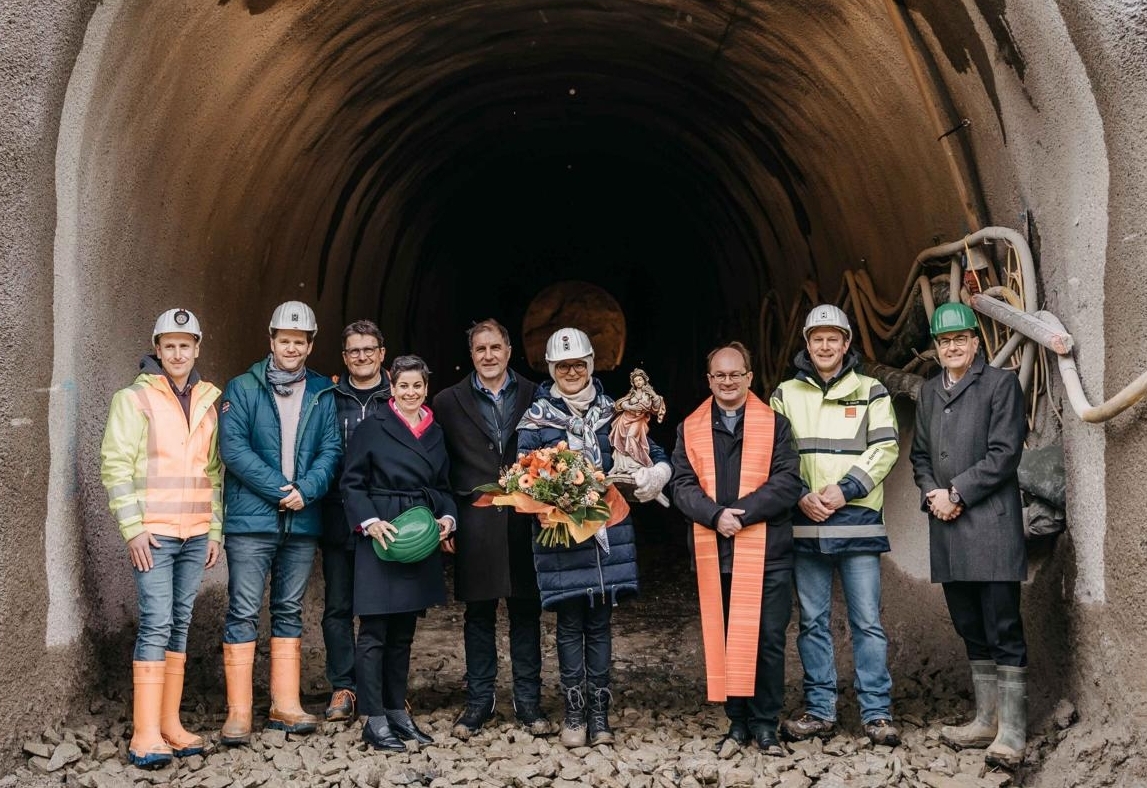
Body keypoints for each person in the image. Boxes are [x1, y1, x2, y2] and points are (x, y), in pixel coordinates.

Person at [517, 327, 672, 747]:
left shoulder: (614, 412)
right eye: (563, 366)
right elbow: (523, 471)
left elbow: (648, 450)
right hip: (562, 536)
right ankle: (573, 713)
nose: (571, 372)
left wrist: (658, 472)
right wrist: (550, 494)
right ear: (552, 369)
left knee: (600, 624)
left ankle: (599, 714)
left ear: (590, 367)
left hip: (608, 532)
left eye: (578, 365)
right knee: (569, 624)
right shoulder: (536, 419)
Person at [770, 305, 901, 746]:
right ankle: (820, 709)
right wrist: (800, 496)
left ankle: (877, 713)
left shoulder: (872, 390)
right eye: (817, 339)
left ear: (846, 344)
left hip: (858, 521)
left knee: (867, 622)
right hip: (806, 524)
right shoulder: (785, 394)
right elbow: (776, 456)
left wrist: (844, 490)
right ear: (806, 344)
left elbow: (885, 449)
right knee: (812, 621)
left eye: (833, 338)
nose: (825, 346)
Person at [100, 308, 222, 768]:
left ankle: (169, 724)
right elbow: (115, 465)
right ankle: (144, 734)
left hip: (193, 535)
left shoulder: (209, 400)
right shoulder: (134, 399)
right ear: (157, 349)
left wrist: (214, 530)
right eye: (168, 345)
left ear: (197, 349)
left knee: (179, 622)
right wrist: (132, 529)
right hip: (153, 536)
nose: (177, 353)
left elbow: (212, 472)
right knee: (156, 621)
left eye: (185, 345)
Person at [909, 302, 1028, 769]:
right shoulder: (928, 393)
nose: (952, 347)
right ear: (936, 348)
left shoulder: (1000, 385)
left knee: (1003, 626)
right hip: (947, 528)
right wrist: (932, 494)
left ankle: (1013, 731)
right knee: (969, 626)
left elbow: (1004, 454)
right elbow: (919, 456)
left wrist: (956, 492)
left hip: (991, 526)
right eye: (944, 341)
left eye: (960, 339)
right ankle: (986, 720)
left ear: (976, 342)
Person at [669, 341, 802, 755]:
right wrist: (714, 515)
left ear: (750, 377)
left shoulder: (775, 425)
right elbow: (680, 485)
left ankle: (766, 724)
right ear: (709, 381)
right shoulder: (690, 428)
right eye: (719, 375)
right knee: (726, 637)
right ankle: (737, 723)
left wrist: (739, 514)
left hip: (769, 552)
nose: (727, 381)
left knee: (767, 639)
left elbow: (787, 483)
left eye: (735, 374)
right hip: (716, 551)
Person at [218, 301, 341, 745]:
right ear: (271, 341)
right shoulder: (243, 388)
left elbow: (331, 450)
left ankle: (285, 705)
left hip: (301, 522)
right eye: (284, 340)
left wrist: (305, 490)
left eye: (299, 341)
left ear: (310, 345)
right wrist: (280, 489)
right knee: (243, 610)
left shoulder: (322, 393)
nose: (291, 347)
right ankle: (239, 712)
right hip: (251, 523)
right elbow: (233, 450)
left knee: (289, 608)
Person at [432, 319, 551, 738]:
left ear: (509, 350)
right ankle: (480, 701)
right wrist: (443, 518)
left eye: (495, 347)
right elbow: (438, 466)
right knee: (478, 614)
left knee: (526, 611)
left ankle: (530, 702)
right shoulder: (447, 402)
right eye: (480, 349)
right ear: (471, 355)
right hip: (475, 518)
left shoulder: (537, 394)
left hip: (525, 517)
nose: (488, 355)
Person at [341, 355, 458, 751]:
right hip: (384, 533)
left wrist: (447, 517)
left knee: (404, 632)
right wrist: (369, 521)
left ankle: (397, 712)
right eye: (403, 386)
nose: (411, 393)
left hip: (418, 531)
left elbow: (443, 486)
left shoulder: (435, 432)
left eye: (418, 386)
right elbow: (351, 483)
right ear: (392, 387)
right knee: (374, 631)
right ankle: (373, 719)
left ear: (426, 389)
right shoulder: (371, 427)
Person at [320, 320, 391, 723]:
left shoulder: (397, 395)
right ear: (344, 357)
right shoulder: (329, 397)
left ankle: (380, 687)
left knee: (382, 604)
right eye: (353, 351)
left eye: (369, 349)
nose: (361, 356)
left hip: (386, 515)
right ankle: (344, 685)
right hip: (337, 513)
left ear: (382, 353)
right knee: (339, 604)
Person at [608, 368, 667, 477]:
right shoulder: (632, 393)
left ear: (645, 380)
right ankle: (623, 466)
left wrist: (653, 395)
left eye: (640, 379)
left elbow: (656, 407)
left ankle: (640, 464)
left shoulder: (649, 393)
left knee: (631, 437)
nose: (638, 382)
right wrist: (630, 407)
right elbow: (620, 404)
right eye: (636, 381)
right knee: (622, 442)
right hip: (625, 420)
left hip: (639, 420)